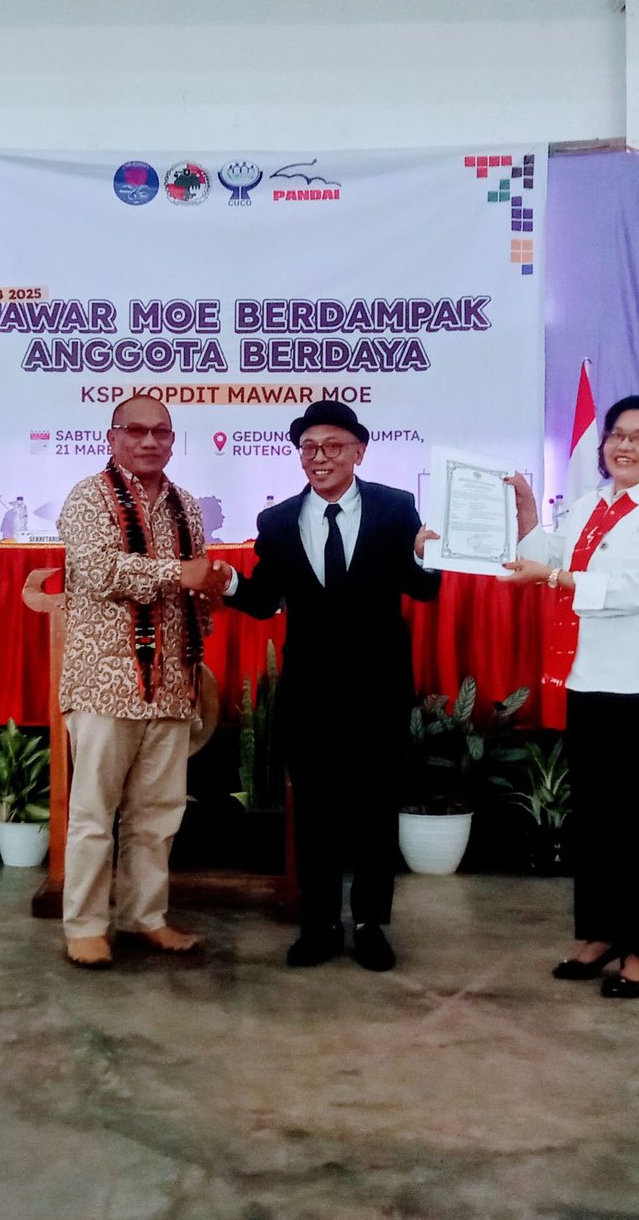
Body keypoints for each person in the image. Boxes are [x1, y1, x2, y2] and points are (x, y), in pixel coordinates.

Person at [220, 400, 440, 972]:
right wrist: (226, 581)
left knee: (374, 809)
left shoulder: (395, 508)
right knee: (314, 811)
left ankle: (369, 924)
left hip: (379, 685)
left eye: (334, 447)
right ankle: (318, 923)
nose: (320, 458)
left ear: (359, 452)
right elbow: (264, 600)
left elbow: (423, 589)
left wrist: (428, 557)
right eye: (309, 448)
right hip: (309, 689)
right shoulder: (277, 521)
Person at [502, 395, 639, 999]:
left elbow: (630, 590)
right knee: (594, 820)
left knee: (637, 825)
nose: (624, 446)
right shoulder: (593, 502)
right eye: (617, 434)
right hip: (586, 681)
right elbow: (548, 557)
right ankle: (601, 932)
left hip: (637, 687)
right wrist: (528, 509)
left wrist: (552, 577)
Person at [55, 395, 229, 969]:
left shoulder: (185, 504)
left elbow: (192, 583)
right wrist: (181, 573)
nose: (150, 441)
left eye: (161, 432)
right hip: (105, 682)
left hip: (172, 683)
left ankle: (144, 917)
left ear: (173, 441)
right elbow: (99, 571)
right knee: (93, 814)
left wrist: (211, 592)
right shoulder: (88, 496)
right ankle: (85, 925)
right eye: (136, 430)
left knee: (158, 814)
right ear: (112, 437)